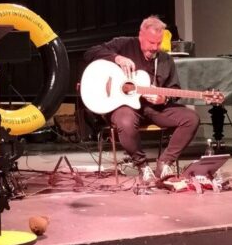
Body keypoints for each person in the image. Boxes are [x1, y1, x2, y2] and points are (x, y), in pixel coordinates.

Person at [83, 16, 200, 184]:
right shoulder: (124, 44)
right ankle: (143, 166)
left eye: (158, 43)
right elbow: (90, 53)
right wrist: (117, 58)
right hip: (124, 107)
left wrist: (163, 98)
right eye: (151, 42)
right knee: (125, 121)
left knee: (191, 118)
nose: (154, 48)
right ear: (140, 36)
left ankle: (165, 162)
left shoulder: (166, 59)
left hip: (154, 109)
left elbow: (174, 89)